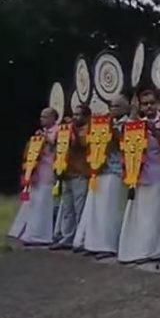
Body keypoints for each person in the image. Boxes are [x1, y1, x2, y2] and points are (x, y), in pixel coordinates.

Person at [74, 95, 127, 259]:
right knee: (95, 209)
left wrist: (113, 132)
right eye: (111, 106)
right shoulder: (102, 122)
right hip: (98, 170)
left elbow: (126, 145)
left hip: (115, 171)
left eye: (117, 106)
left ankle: (108, 245)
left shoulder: (128, 123)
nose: (113, 109)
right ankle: (92, 243)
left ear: (125, 108)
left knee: (109, 210)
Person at [118, 89, 160, 264]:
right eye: (145, 104)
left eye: (151, 103)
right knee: (141, 214)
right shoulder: (137, 123)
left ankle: (154, 249)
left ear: (157, 103)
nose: (149, 107)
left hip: (159, 173)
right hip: (139, 174)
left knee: (155, 214)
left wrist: (155, 131)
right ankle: (140, 247)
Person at [8, 108, 59, 246]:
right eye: (41, 116)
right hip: (36, 170)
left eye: (45, 117)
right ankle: (27, 231)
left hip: (48, 171)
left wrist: (47, 140)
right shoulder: (40, 132)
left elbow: (60, 148)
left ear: (54, 118)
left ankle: (41, 235)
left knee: (43, 202)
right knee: (32, 201)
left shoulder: (59, 131)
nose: (42, 119)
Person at [50, 104, 90, 250]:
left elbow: (83, 144)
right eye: (74, 114)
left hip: (80, 174)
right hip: (66, 174)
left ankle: (80, 240)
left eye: (79, 115)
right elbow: (56, 145)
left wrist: (71, 130)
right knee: (67, 209)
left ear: (86, 117)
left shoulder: (88, 130)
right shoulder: (66, 130)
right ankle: (67, 238)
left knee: (80, 209)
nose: (75, 117)